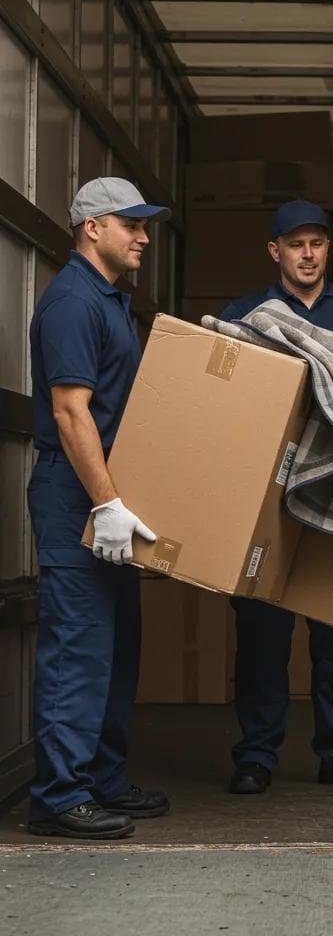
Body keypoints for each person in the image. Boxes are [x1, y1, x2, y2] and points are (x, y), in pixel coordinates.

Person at [220, 200, 333, 796]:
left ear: (328, 249)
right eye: (295, 244)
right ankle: (257, 755)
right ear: (274, 251)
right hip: (267, 498)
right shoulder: (247, 315)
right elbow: (221, 399)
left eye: (317, 244)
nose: (307, 254)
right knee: (261, 639)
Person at [27, 178, 171, 839]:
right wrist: (107, 502)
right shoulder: (73, 302)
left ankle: (103, 779)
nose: (143, 237)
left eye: (145, 226)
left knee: (116, 645)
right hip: (77, 495)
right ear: (92, 228)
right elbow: (69, 411)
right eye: (131, 224)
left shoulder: (112, 301)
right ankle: (59, 797)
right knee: (78, 647)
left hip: (108, 494)